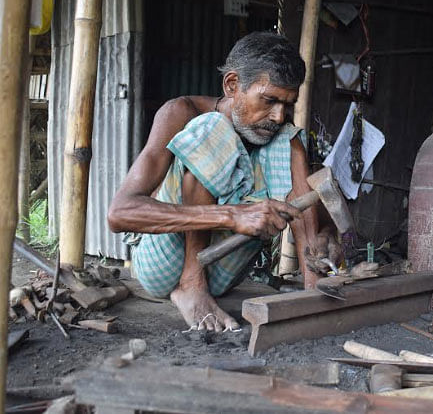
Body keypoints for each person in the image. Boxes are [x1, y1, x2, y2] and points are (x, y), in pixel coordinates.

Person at [108, 32, 341, 332]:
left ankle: (313, 284)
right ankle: (191, 285)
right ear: (232, 85)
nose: (278, 115)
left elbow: (312, 205)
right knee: (213, 128)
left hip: (222, 271)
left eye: (287, 104)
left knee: (291, 140)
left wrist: (326, 236)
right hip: (164, 265)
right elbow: (119, 213)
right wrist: (233, 215)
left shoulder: (280, 133)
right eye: (269, 100)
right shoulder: (181, 113)